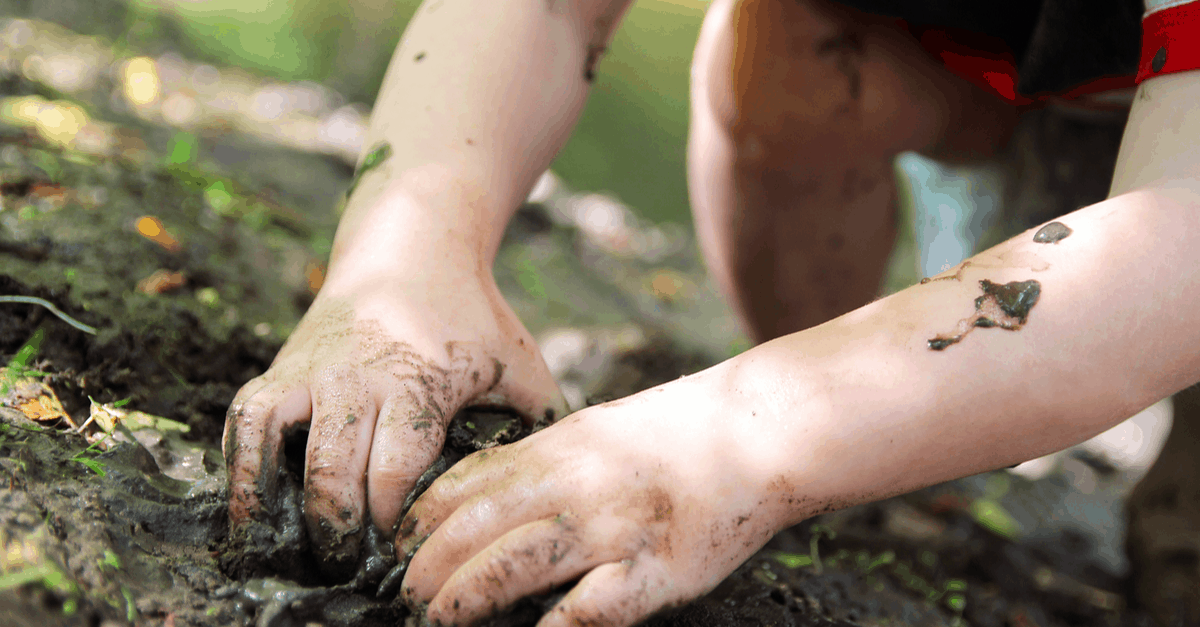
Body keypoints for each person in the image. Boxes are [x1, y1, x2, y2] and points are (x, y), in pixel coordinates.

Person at [223, 0, 1200, 624]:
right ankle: (891, 468)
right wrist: (405, 258)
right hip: (1031, 74)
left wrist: (738, 435)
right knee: (791, 48)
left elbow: (1181, 229)